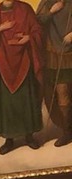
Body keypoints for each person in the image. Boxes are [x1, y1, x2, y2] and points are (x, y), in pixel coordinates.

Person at [0, 0, 45, 154]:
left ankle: (29, 136)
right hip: (2, 64)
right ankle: (9, 139)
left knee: (26, 100)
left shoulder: (25, 9)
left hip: (24, 61)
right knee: (6, 103)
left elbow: (38, 30)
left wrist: (29, 38)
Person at [38, 0, 72, 145]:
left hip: (70, 54)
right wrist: (51, 11)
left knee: (67, 93)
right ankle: (67, 131)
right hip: (53, 55)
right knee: (59, 94)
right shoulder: (46, 2)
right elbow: (37, 22)